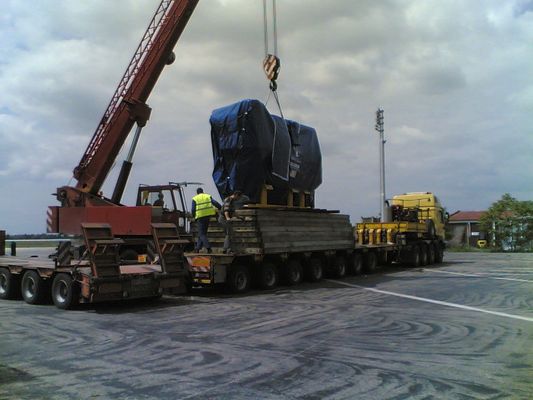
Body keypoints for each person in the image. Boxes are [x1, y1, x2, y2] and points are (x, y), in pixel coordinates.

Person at [191, 188, 221, 253]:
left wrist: (194, 216)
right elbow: (215, 202)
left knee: (201, 234)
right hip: (208, 216)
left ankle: (208, 248)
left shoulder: (195, 198)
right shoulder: (207, 196)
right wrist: (220, 207)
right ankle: (197, 249)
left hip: (200, 217)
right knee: (202, 233)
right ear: (202, 191)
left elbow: (193, 209)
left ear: (197, 192)